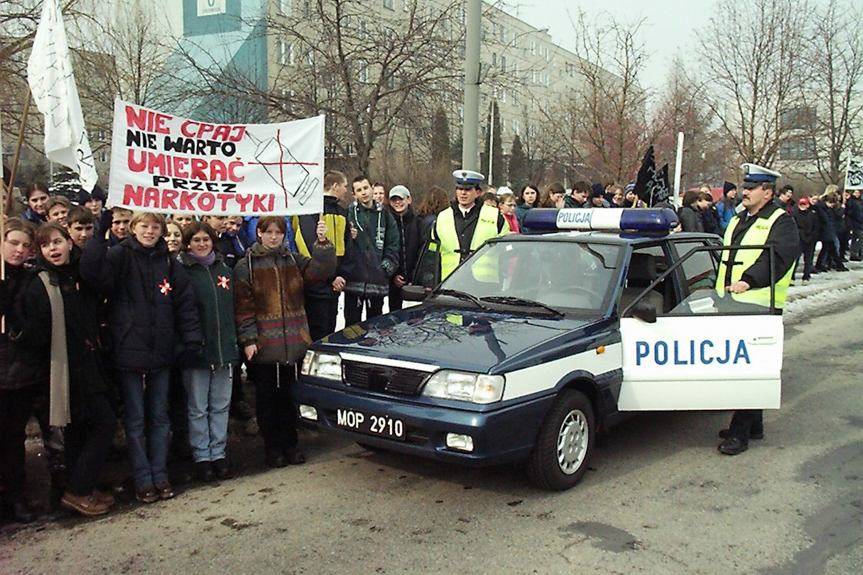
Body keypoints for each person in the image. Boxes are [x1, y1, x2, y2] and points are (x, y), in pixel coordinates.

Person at [80, 211, 202, 503]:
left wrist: (191, 338)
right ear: (133, 228)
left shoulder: (169, 262)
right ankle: (143, 478)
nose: (149, 231)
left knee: (160, 417)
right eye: (144, 226)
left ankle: (160, 474)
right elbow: (92, 275)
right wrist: (99, 234)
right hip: (129, 351)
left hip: (161, 351)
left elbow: (185, 303)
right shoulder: (120, 256)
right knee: (135, 420)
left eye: (155, 226)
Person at [11, 223, 117, 516]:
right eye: (46, 245)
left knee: (80, 431)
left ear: (69, 243)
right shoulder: (40, 283)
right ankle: (77, 490)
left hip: (90, 362)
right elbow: (35, 334)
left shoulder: (78, 273)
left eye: (57, 242)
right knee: (104, 423)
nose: (53, 249)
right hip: (66, 369)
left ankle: (82, 486)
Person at [234, 216, 335, 467]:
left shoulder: (293, 259)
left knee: (290, 398)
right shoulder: (246, 265)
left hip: (294, 342)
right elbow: (243, 308)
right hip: (264, 345)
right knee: (267, 400)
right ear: (259, 233)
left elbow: (320, 272)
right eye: (268, 232)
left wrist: (322, 244)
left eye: (278, 232)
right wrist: (248, 339)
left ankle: (291, 445)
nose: (273, 237)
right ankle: (273, 448)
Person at [715, 164, 800, 456]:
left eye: (752, 188)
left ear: (768, 192)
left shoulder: (781, 221)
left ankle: (740, 433)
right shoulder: (739, 218)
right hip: (732, 302)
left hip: (759, 303)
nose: (746, 191)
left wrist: (748, 281)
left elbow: (777, 258)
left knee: (748, 369)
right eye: (745, 186)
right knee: (746, 366)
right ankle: (754, 425)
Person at [178, 221, 238, 482]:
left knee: (221, 405)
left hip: (224, 348)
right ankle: (202, 455)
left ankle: (219, 453)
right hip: (197, 351)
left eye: (206, 239)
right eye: (196, 240)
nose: (202, 244)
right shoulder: (182, 271)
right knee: (198, 407)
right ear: (188, 244)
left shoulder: (224, 269)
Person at [0, 219, 41, 523]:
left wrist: (13, 313)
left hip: (19, 373)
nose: (19, 250)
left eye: (25, 245)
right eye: (13, 243)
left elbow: (33, 326)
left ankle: (16, 497)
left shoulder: (30, 279)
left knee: (14, 438)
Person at [293, 170, 354, 341]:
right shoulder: (310, 211)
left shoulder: (342, 212)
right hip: (315, 286)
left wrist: (342, 275)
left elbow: (348, 247)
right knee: (316, 332)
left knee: (330, 331)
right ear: (335, 186)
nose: (346, 190)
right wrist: (330, 277)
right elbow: (307, 247)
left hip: (335, 287)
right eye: (344, 186)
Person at [430, 170, 509, 282]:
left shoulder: (495, 216)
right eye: (459, 189)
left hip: (484, 283)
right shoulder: (443, 217)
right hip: (450, 280)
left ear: (478, 192)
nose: (463, 193)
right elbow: (432, 253)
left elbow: (505, 251)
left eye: (468, 189)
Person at [344, 175, 400, 324]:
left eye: (365, 188)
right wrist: (349, 236)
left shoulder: (385, 215)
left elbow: (393, 243)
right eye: (359, 190)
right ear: (354, 194)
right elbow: (342, 244)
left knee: (375, 327)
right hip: (354, 282)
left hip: (377, 282)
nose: (363, 192)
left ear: (371, 188)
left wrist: (386, 267)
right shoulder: (348, 214)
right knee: (351, 328)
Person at [387, 185, 422, 311]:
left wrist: (414, 276)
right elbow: (387, 251)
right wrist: (394, 275)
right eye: (394, 200)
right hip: (394, 282)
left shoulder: (419, 223)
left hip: (416, 282)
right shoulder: (387, 223)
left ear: (409, 199)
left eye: (400, 199)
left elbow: (421, 252)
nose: (397, 202)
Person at [793, 197, 819, 283]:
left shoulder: (812, 215)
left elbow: (816, 227)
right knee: (795, 259)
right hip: (799, 239)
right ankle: (792, 277)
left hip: (810, 239)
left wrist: (813, 237)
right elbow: (793, 227)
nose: (802, 206)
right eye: (801, 204)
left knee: (808, 260)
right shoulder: (795, 214)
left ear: (808, 205)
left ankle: (806, 277)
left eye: (804, 204)